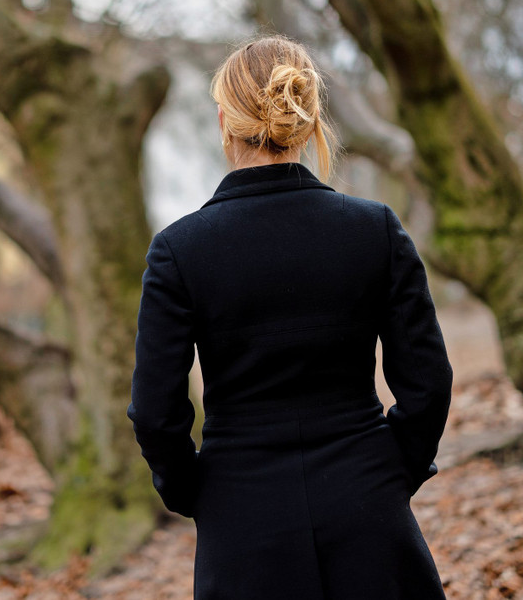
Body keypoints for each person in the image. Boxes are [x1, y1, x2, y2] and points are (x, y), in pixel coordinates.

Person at [128, 35, 453, 599]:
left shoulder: (179, 251)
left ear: (225, 119)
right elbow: (428, 384)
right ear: (307, 117)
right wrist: (389, 469)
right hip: (369, 508)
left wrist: (197, 491)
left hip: (241, 526)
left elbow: (156, 412)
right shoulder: (374, 230)